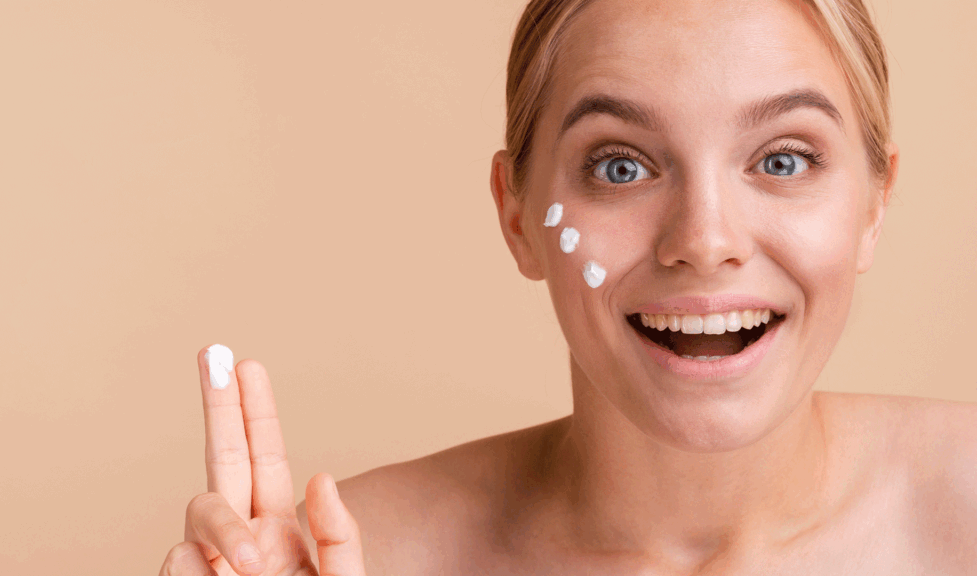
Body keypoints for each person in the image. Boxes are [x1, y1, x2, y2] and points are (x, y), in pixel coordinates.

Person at [159, 0, 977, 574]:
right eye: (620, 166)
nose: (705, 241)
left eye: (783, 160)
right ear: (516, 214)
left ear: (875, 204)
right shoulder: (357, 560)